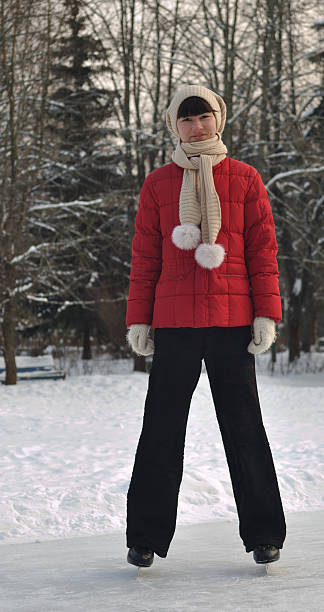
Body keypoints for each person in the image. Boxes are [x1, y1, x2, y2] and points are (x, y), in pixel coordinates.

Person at [125, 85, 286, 569]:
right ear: (175, 126)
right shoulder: (158, 184)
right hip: (174, 324)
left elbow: (263, 252)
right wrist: (139, 318)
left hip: (232, 323)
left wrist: (265, 313)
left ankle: (264, 534)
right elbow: (145, 256)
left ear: (219, 119)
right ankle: (145, 537)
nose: (197, 126)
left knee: (245, 428)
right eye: (187, 119)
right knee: (161, 430)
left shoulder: (244, 178)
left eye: (205, 117)